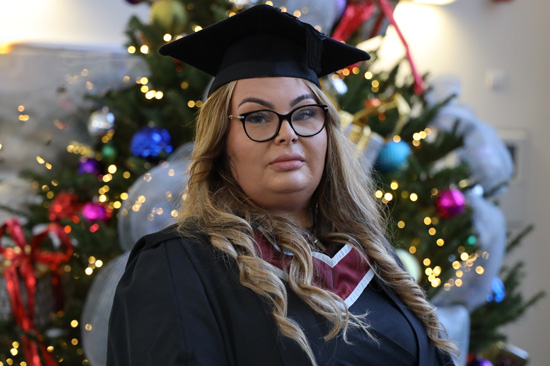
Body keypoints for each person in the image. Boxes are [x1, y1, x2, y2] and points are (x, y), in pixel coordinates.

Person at [107, 4, 456, 366]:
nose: (287, 133)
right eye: (257, 117)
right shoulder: (179, 266)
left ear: (328, 135)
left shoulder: (375, 257)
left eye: (305, 113)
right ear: (221, 143)